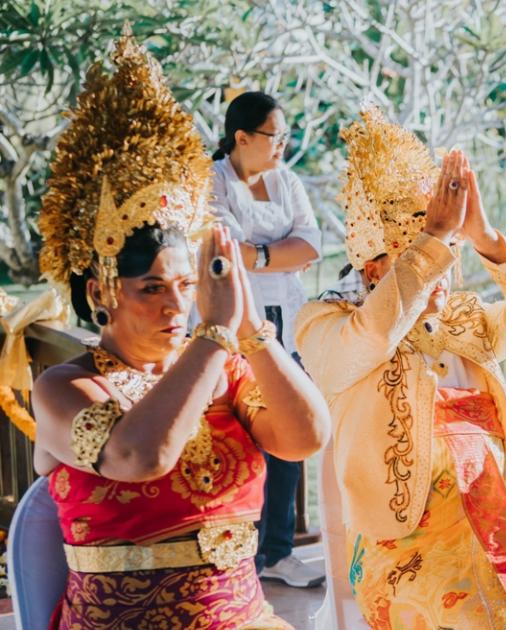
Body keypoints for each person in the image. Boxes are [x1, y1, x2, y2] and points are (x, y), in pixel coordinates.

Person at [31, 36, 330, 628]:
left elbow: (306, 437)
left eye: (186, 287)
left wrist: (249, 332)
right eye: (152, 289)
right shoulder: (66, 389)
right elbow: (138, 455)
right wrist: (214, 334)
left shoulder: (225, 367)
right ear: (101, 293)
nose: (175, 305)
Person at [294, 108, 506, 629]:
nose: (443, 269)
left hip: (502, 539)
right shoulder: (328, 323)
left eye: (451, 251)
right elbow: (375, 335)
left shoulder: (464, 319)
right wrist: (433, 240)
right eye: (424, 251)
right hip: (405, 553)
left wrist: (485, 235)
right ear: (374, 268)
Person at [210, 90, 326, 588]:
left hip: (287, 319)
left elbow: (313, 243)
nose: (282, 146)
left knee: (288, 434)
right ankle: (234, 554)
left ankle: (277, 551)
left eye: (284, 136)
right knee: (238, 435)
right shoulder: (211, 182)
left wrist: (258, 255)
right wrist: (276, 254)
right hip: (236, 321)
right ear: (242, 137)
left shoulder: (287, 180)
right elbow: (225, 247)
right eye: (275, 136)